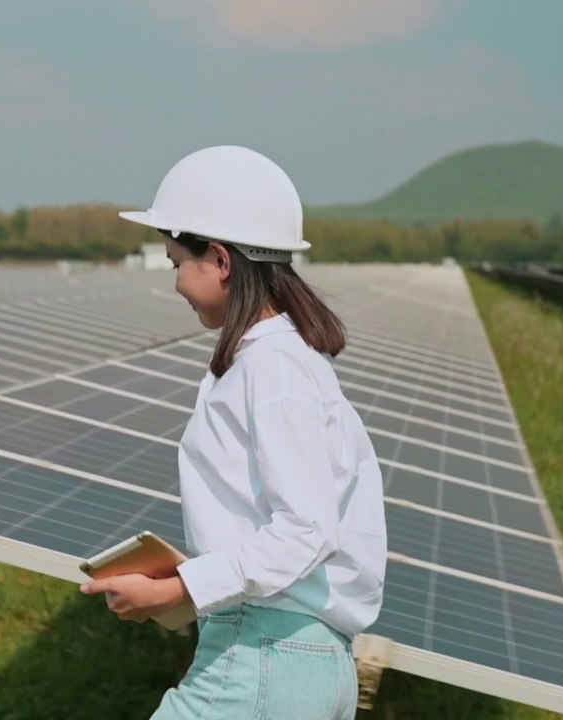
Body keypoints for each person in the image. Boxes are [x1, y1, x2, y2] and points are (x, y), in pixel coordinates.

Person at [80, 145, 387, 719]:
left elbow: (305, 530)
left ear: (220, 260)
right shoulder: (290, 360)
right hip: (306, 662)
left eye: (177, 263)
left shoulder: (272, 368)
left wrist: (179, 591)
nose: (175, 284)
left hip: (263, 658)